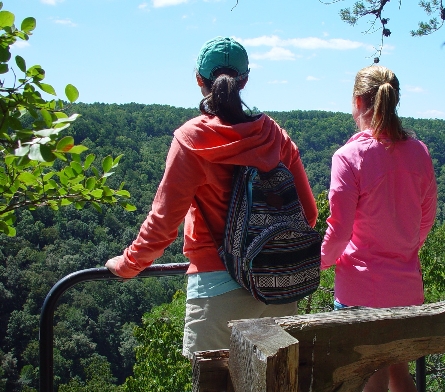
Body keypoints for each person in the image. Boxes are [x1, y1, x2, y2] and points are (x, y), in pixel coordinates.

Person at [105, 36, 318, 357]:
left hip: (217, 294)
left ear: (199, 80)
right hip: (278, 288)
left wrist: (128, 265)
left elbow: (163, 225)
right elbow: (308, 215)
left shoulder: (192, 139)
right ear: (245, 80)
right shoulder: (274, 134)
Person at [320, 65, 437, 392]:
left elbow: (339, 232)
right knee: (400, 374)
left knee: (371, 380)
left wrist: (319, 263)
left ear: (358, 101)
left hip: (360, 291)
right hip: (406, 290)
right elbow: (425, 221)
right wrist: (402, 250)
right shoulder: (420, 152)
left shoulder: (348, 157)